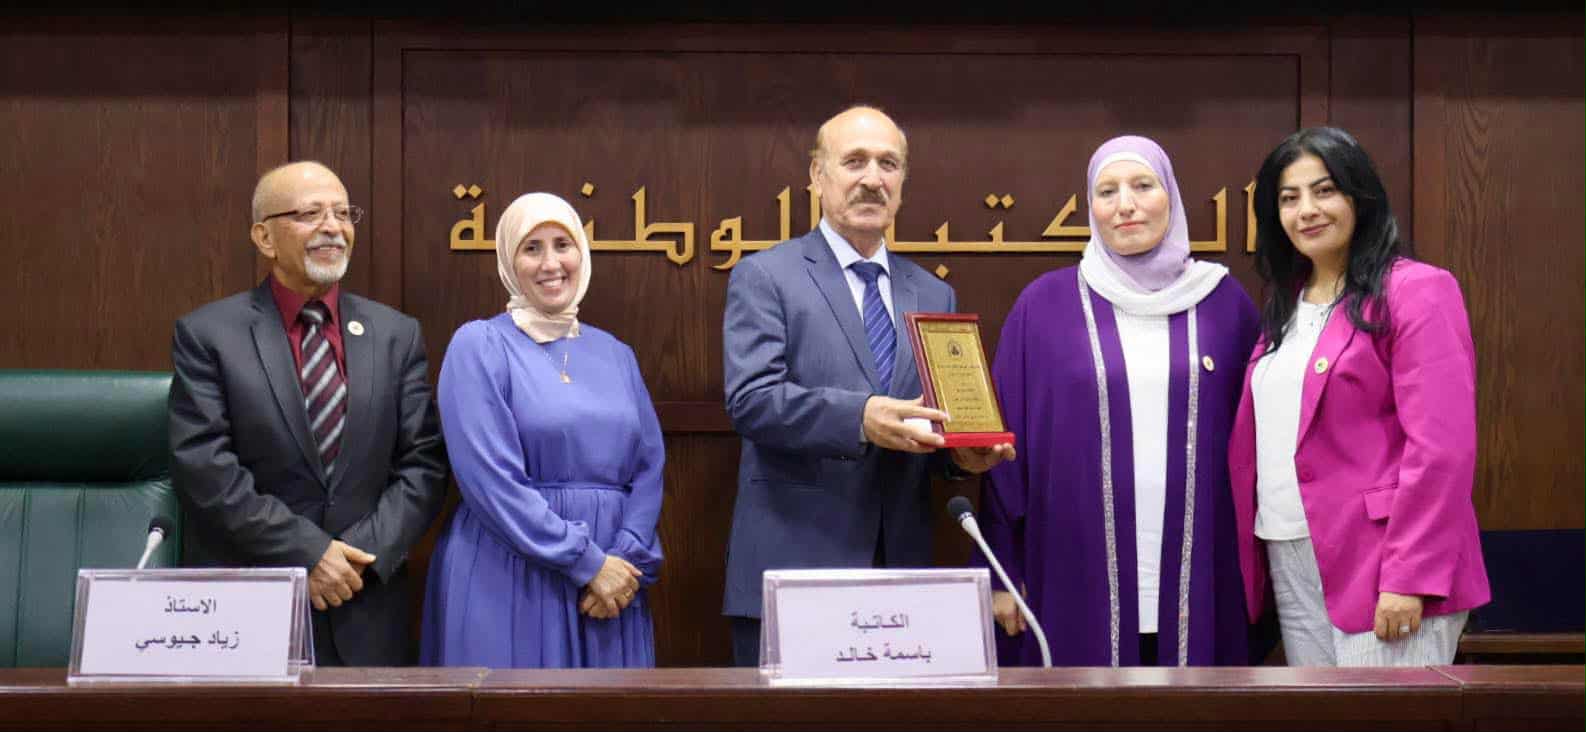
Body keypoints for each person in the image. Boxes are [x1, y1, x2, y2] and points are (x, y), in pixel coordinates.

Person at [721, 105, 1014, 667]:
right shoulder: (766, 276)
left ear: (902, 180)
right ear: (817, 174)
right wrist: (860, 418)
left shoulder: (933, 293)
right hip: (794, 565)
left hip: (901, 577)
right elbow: (751, 400)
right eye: (854, 161)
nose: (873, 179)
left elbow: (928, 421)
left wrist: (962, 457)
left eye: (888, 164)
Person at [979, 136, 1258, 667]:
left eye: (1142, 186)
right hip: (1073, 571)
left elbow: (1258, 448)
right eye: (1107, 192)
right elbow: (1000, 454)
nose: (1125, 205)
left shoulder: (1224, 304)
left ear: (1171, 196)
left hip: (1203, 575)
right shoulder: (1044, 306)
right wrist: (998, 571)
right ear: (1091, 208)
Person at [170, 161, 448, 666]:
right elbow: (206, 468)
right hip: (250, 607)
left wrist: (357, 558)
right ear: (264, 237)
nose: (333, 227)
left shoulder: (395, 334)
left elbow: (423, 464)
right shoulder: (208, 335)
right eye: (310, 214)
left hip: (366, 604)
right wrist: (310, 552)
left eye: (343, 213)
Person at [1231, 126, 1490, 666]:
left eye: (1324, 190)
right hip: (1290, 551)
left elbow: (1441, 448)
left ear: (1360, 195)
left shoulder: (1415, 290)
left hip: (1384, 562)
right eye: (1289, 198)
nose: (1306, 210)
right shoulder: (1287, 306)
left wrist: (1409, 575)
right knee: (1322, 711)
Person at [420, 192, 663, 668]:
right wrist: (586, 562)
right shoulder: (479, 345)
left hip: (613, 584)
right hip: (511, 571)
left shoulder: (617, 353)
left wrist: (626, 561)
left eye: (562, 245)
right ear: (509, 262)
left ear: (582, 254)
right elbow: (490, 481)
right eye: (531, 248)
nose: (551, 263)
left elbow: (649, 468)